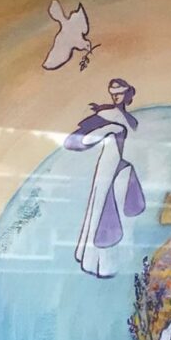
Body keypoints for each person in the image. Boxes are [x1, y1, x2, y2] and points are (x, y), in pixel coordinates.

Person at [65, 77, 145, 278]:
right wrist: (107, 129)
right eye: (113, 94)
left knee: (124, 217)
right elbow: (72, 142)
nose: (116, 97)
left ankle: (122, 262)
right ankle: (96, 263)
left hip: (124, 171)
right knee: (102, 212)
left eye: (120, 93)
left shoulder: (132, 120)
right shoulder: (106, 115)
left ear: (127, 94)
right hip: (108, 170)